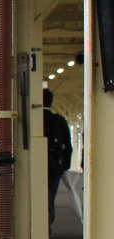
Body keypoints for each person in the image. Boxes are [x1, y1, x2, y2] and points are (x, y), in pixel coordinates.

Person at [43, 89, 73, 227]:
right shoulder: (59, 121)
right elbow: (68, 145)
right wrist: (65, 165)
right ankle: (47, 221)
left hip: (34, 164)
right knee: (50, 194)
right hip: (54, 164)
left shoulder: (32, 119)